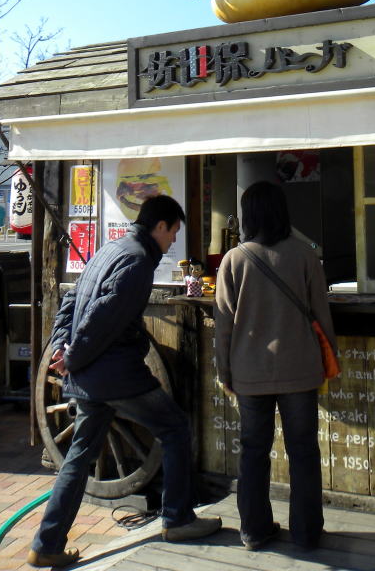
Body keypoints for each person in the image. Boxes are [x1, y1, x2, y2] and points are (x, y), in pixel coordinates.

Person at [28, 194, 221, 569]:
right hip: (116, 376)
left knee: (79, 458)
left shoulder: (110, 249)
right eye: (173, 234)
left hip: (90, 377)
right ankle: (178, 518)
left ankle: (46, 543)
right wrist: (72, 355)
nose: (172, 243)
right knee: (176, 427)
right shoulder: (136, 262)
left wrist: (62, 346)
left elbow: (72, 302)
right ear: (160, 226)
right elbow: (102, 318)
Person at [214, 180, 337, 552]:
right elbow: (322, 314)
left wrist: (224, 373)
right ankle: (306, 533)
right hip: (300, 368)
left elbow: (223, 326)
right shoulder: (304, 256)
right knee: (303, 451)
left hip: (249, 371)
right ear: (284, 213)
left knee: (253, 451)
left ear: (248, 216)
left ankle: (253, 530)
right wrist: (330, 359)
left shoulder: (233, 260)